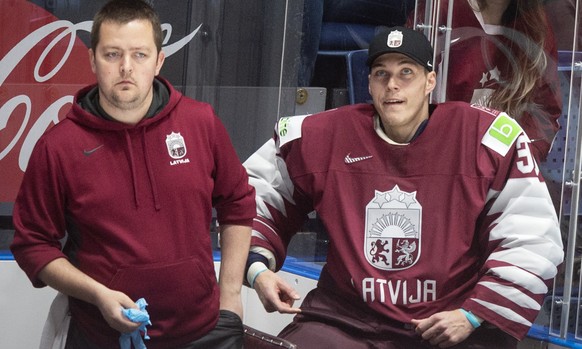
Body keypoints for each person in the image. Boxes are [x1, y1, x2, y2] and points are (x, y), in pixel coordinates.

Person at [243, 27, 564, 348]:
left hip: (449, 323)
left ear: (430, 81)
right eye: (381, 73)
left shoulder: (487, 139)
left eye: (406, 72)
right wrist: (257, 270)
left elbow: (533, 241)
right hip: (344, 322)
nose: (392, 84)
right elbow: (251, 197)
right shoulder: (321, 135)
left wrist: (473, 314)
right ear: (369, 83)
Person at [10, 1, 256, 348]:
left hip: (205, 333)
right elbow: (33, 244)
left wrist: (230, 295)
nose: (126, 67)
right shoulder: (59, 147)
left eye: (139, 55)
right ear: (93, 60)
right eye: (112, 55)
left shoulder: (200, 123)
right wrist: (97, 294)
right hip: (102, 336)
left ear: (158, 61)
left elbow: (238, 202)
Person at [409, 0, 562, 163]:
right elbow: (407, 94)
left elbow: (544, 110)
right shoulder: (442, 10)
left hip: (498, 169)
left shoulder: (536, 26)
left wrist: (516, 164)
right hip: (439, 160)